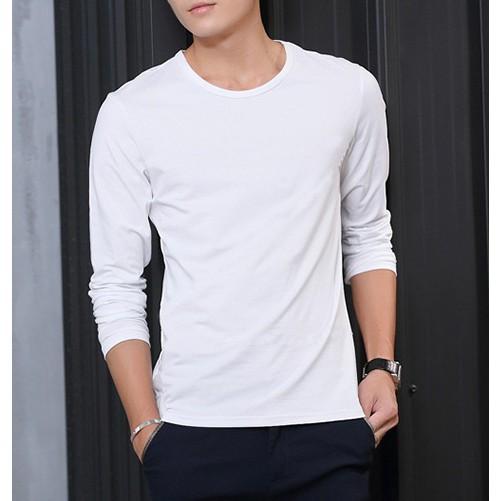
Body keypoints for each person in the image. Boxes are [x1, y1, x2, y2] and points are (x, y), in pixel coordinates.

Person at [87, 1, 401, 499]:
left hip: (327, 427)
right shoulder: (131, 112)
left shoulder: (347, 90)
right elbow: (116, 284)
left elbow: (366, 236)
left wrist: (381, 367)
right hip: (194, 436)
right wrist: (146, 429)